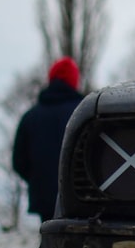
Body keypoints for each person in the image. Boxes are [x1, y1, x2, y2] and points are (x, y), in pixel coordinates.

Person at [12, 57, 84, 223]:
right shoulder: (84, 113)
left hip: (44, 199)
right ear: (74, 81)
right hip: (80, 198)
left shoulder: (30, 117)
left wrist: (39, 179)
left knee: (50, 244)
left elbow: (19, 162)